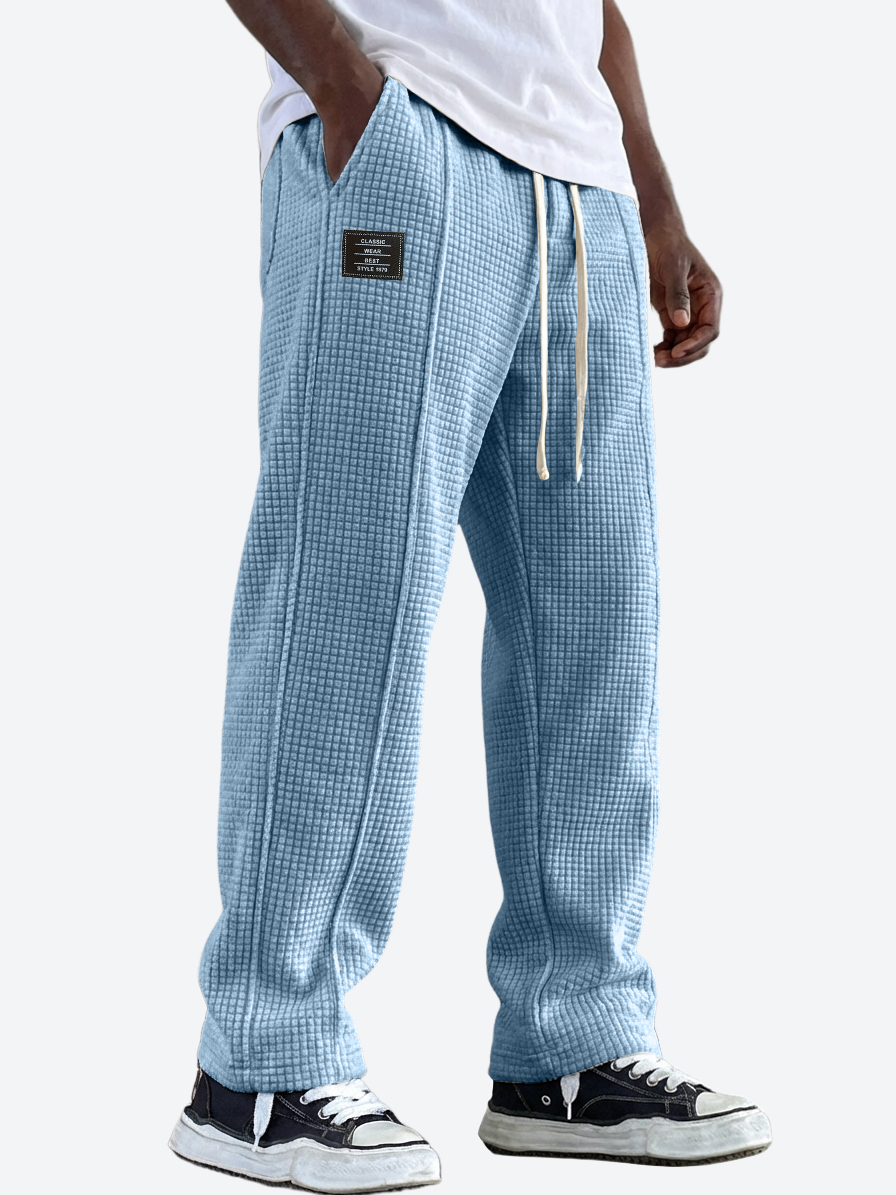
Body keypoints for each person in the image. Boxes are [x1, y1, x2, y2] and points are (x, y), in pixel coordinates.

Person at [168, 1, 772, 1188]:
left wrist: (650, 198)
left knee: (592, 637)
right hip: (401, 141)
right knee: (346, 606)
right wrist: (346, 92)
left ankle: (570, 1044)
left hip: (581, 196)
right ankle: (260, 1059)